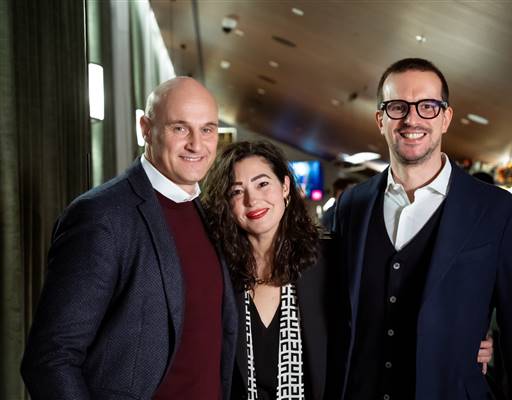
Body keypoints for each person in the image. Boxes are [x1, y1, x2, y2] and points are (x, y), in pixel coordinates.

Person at [333, 58, 512, 399]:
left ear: (446, 118)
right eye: (397, 107)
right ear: (380, 119)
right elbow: (332, 311)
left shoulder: (498, 211)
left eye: (428, 106)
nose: (412, 119)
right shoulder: (350, 206)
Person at [21, 77, 237, 400]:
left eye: (207, 129)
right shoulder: (102, 215)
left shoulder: (206, 213)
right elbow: (50, 359)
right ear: (146, 129)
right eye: (180, 128)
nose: (196, 144)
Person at [202, 141, 330, 400]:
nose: (252, 200)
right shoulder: (215, 271)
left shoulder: (329, 261)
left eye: (262, 184)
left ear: (285, 186)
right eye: (237, 191)